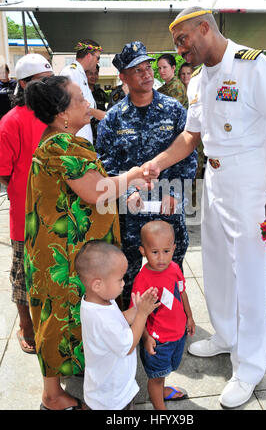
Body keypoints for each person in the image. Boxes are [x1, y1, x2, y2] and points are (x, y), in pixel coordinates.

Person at [141, 7, 266, 408]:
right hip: (214, 180)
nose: (180, 51)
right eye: (176, 44)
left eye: (183, 41)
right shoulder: (197, 80)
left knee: (248, 274)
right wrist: (157, 163)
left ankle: (249, 365)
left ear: (204, 28)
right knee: (214, 264)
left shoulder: (255, 66)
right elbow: (191, 136)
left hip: (251, 181)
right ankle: (226, 336)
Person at [24, 75, 154, 410]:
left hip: (66, 248)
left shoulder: (61, 140)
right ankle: (52, 395)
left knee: (65, 317)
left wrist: (123, 196)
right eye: (79, 99)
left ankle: (64, 385)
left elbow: (87, 191)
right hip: (61, 256)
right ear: (62, 113)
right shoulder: (61, 147)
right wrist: (134, 174)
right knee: (57, 319)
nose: (87, 103)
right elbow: (96, 192)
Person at [97, 41, 197, 309]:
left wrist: (176, 193)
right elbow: (106, 162)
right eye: (137, 70)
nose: (147, 74)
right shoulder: (114, 118)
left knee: (171, 271)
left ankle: (169, 326)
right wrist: (127, 192)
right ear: (123, 77)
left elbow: (188, 154)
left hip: (168, 207)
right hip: (131, 212)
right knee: (127, 274)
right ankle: (134, 328)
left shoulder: (175, 110)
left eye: (148, 67)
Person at [0, 54, 54, 355]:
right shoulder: (10, 122)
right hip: (25, 216)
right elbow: (4, 173)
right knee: (23, 275)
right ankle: (26, 326)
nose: (48, 86)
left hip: (57, 212)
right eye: (41, 82)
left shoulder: (55, 116)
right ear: (23, 85)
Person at [76, 240, 160, 410]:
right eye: (120, 279)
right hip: (112, 398)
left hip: (105, 388)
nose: (123, 283)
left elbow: (119, 319)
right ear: (97, 285)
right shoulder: (101, 317)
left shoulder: (98, 302)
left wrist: (137, 309)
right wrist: (142, 314)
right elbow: (128, 345)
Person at [130, 220, 195, 410]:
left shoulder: (174, 268)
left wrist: (189, 317)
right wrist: (146, 338)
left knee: (164, 371)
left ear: (174, 248)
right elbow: (137, 314)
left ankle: (162, 389)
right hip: (158, 341)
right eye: (154, 252)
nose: (161, 258)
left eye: (166, 251)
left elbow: (182, 293)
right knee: (155, 378)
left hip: (178, 335)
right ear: (143, 251)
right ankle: (160, 408)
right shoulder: (142, 280)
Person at [60, 39, 105, 144]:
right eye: (97, 58)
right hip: (75, 136)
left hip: (83, 133)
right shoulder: (71, 73)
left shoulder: (80, 73)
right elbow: (70, 106)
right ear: (89, 56)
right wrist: (100, 114)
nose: (98, 61)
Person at [85, 64, 107, 145]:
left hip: (100, 136)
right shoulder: (81, 93)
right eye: (90, 73)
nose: (93, 76)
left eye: (96, 73)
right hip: (86, 136)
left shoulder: (101, 93)